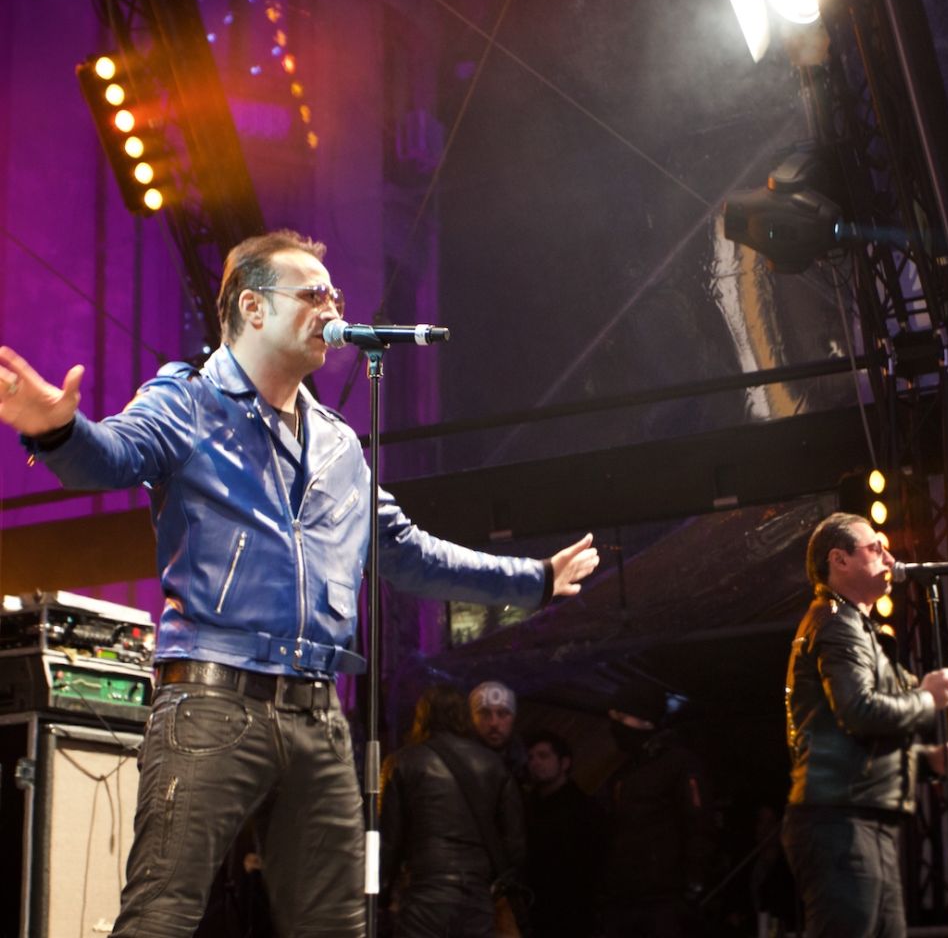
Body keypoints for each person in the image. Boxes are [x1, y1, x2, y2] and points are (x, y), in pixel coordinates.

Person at [0, 229, 600, 938]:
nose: (333, 307)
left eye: (335, 294)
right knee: (161, 917)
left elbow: (408, 553)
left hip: (318, 715)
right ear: (252, 308)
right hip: (211, 702)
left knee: (337, 927)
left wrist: (533, 580)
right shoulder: (188, 400)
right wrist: (58, 432)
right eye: (313, 294)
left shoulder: (339, 444)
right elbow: (115, 455)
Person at [781, 511, 948, 938]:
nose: (890, 558)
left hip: (859, 818)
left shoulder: (852, 626)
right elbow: (860, 712)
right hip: (838, 820)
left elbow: (849, 733)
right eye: (875, 549)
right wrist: (927, 699)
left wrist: (926, 761)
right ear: (839, 560)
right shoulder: (836, 623)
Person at [380, 685, 524, 938]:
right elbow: (514, 843)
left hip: (423, 892)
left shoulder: (401, 762)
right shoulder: (494, 765)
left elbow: (388, 841)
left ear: (422, 717)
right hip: (477, 894)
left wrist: (381, 895)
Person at [600, 681, 715, 938]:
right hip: (626, 897)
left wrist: (693, 884)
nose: (615, 725)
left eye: (621, 717)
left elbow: (699, 825)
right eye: (613, 717)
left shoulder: (679, 764)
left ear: (645, 721)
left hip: (663, 901)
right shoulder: (626, 771)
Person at [522, 730, 604, 938]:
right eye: (530, 758)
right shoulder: (526, 807)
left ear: (564, 763)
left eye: (543, 756)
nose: (535, 763)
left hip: (570, 912)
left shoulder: (583, 810)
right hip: (534, 908)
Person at [470, 679, 527, 780]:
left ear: (514, 718)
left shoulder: (528, 767)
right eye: (485, 714)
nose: (494, 723)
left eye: (502, 714)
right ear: (472, 718)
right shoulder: (457, 763)